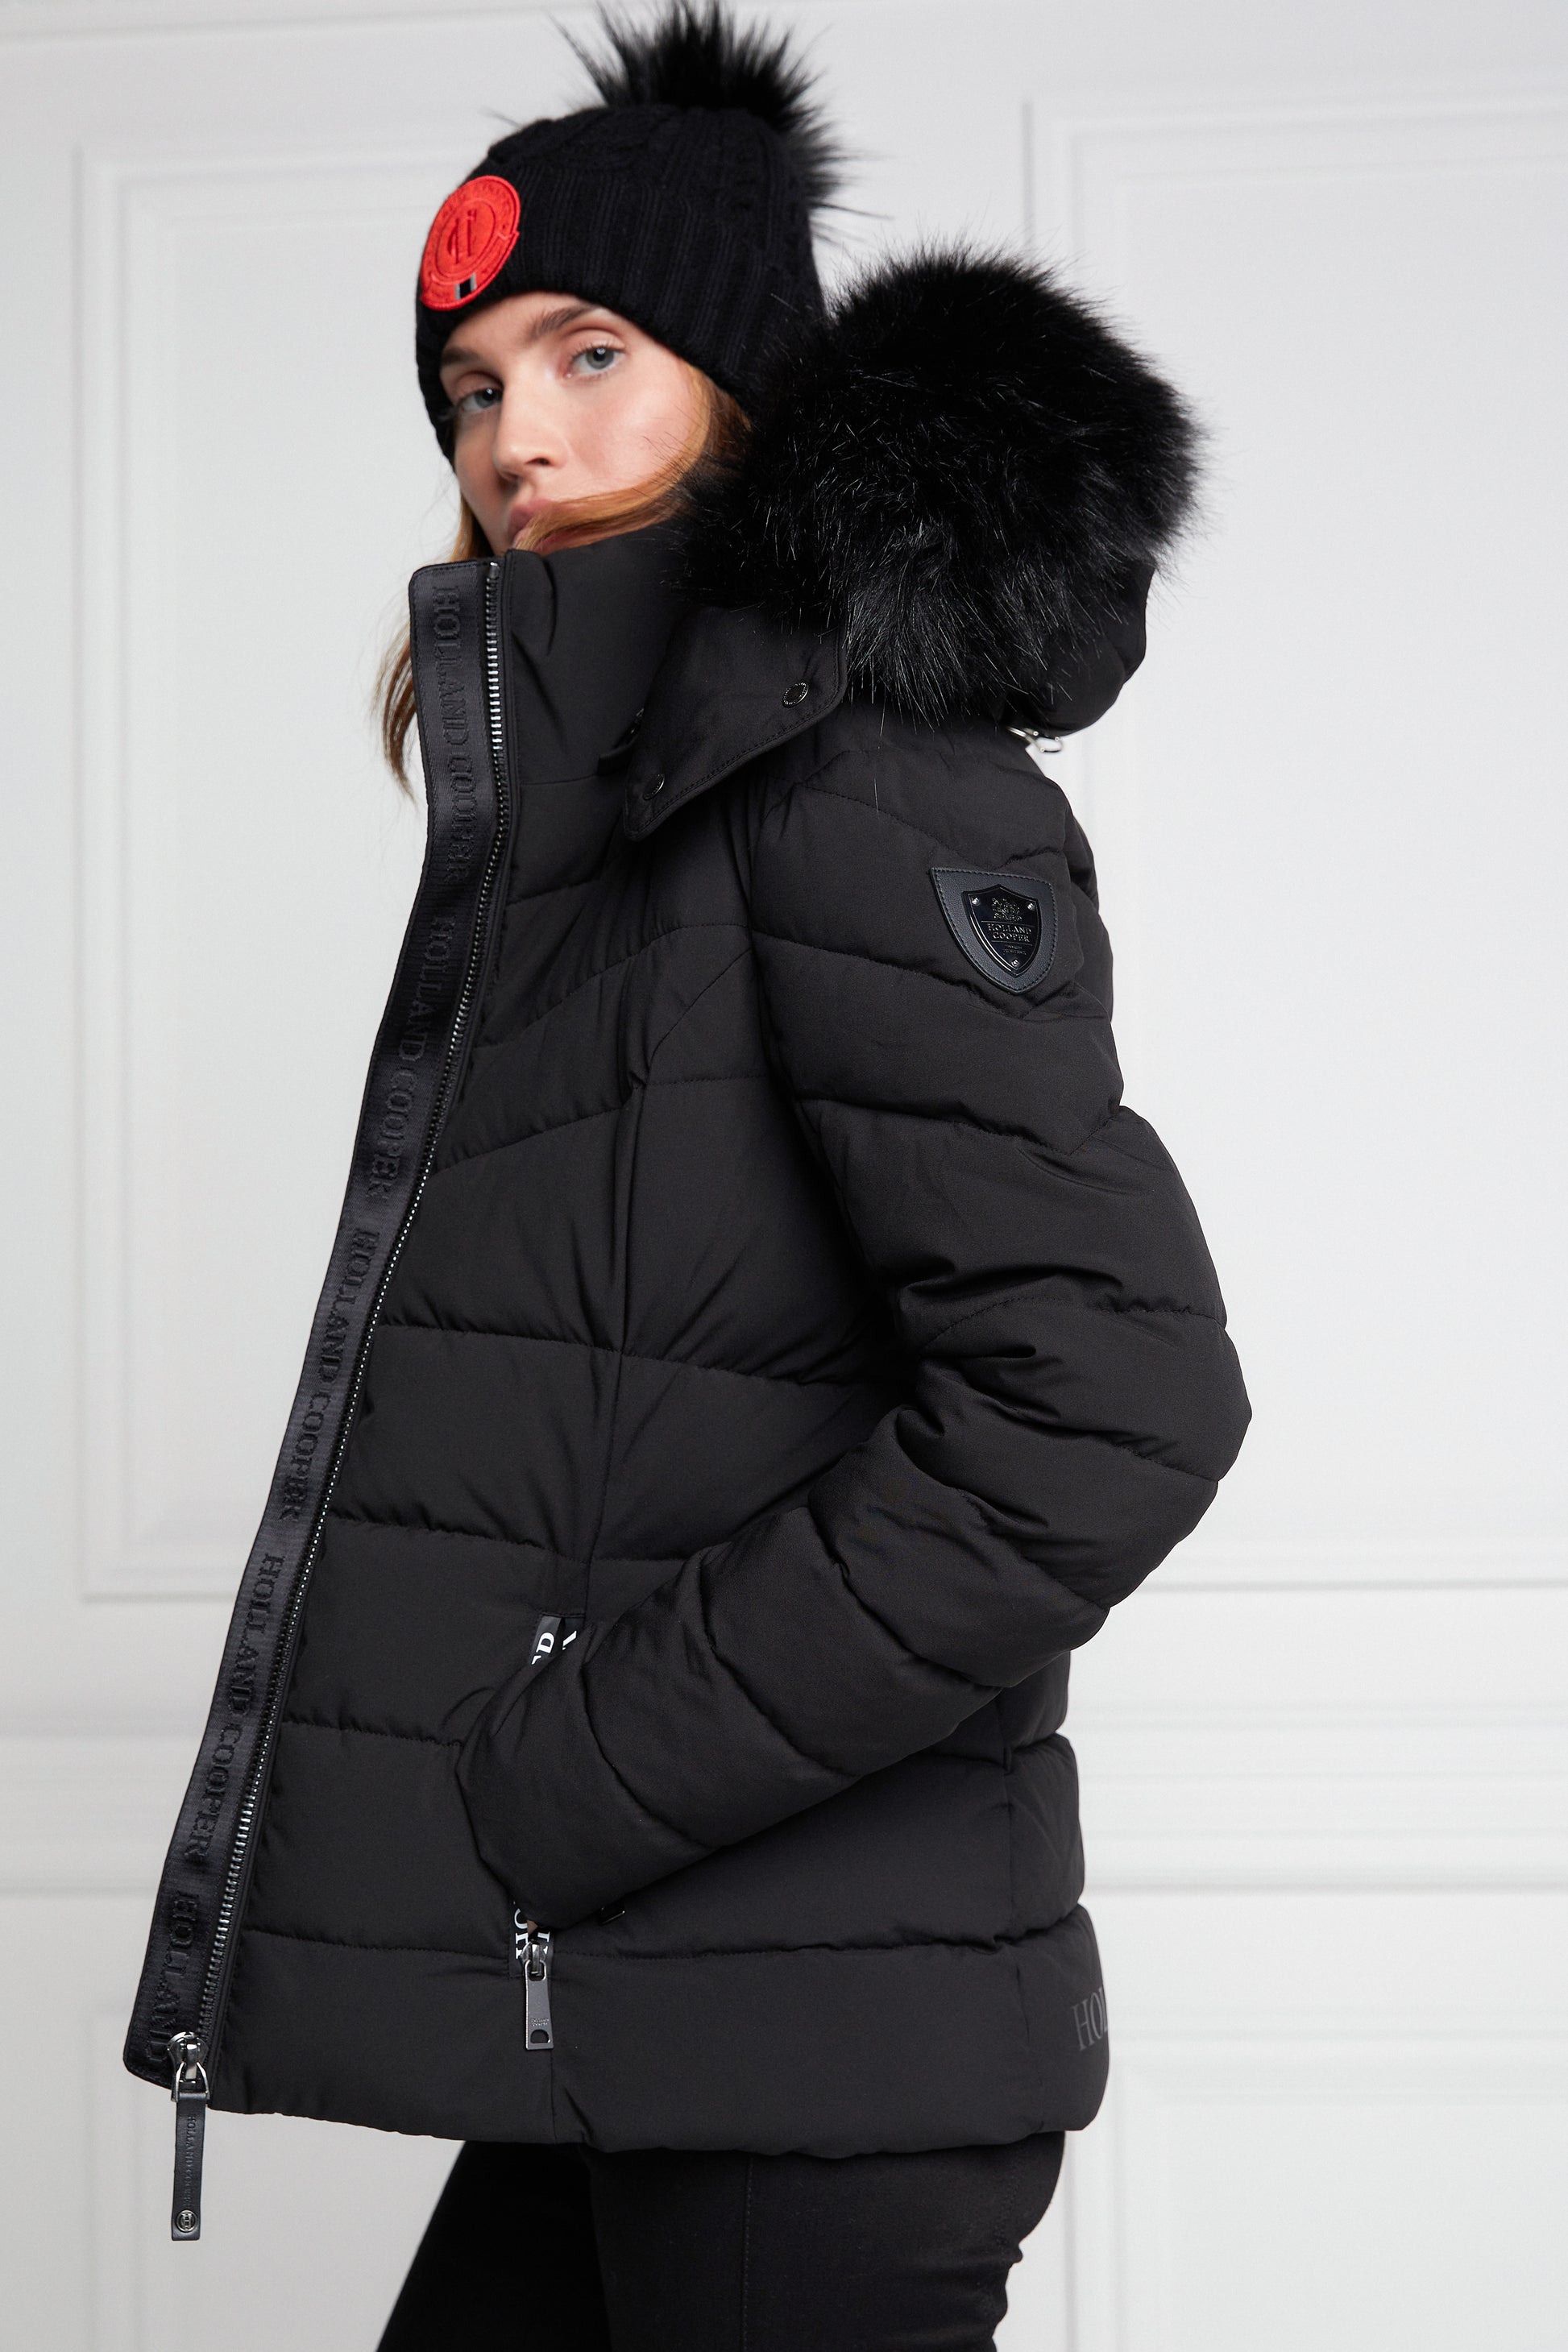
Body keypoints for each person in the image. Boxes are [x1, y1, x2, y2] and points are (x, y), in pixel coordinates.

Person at [123, 5, 1250, 2343]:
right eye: (468, 388)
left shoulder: (858, 784)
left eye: (588, 353)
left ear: (742, 384)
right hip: (649, 2021)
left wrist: (576, 1770)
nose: (514, 437)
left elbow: (1107, 1408)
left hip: (809, 2059)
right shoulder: (618, 825)